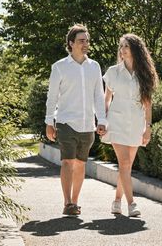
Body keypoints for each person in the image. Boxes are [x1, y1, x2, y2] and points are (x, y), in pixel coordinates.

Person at [44, 24, 107, 216]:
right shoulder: (59, 67)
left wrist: (102, 120)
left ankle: (75, 201)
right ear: (71, 43)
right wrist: (49, 122)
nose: (85, 44)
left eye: (87, 40)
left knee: (80, 164)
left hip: (88, 124)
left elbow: (99, 95)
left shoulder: (94, 66)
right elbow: (52, 96)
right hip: (66, 122)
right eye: (81, 40)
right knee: (67, 162)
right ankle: (67, 202)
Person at [101, 33, 157, 217]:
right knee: (124, 162)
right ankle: (131, 204)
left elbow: (147, 104)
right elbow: (106, 98)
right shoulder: (113, 72)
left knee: (126, 167)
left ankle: (116, 201)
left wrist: (147, 128)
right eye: (121, 46)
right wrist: (103, 119)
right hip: (116, 122)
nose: (123, 50)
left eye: (126, 46)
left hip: (135, 123)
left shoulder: (144, 74)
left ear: (135, 50)